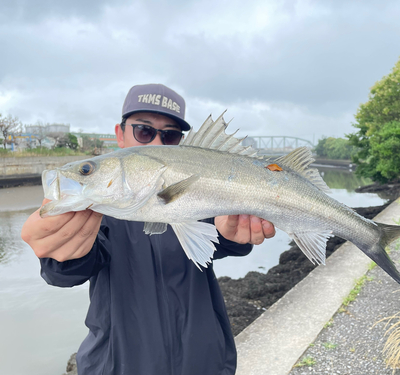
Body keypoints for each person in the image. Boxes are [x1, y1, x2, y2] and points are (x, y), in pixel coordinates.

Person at [21, 84, 276, 375]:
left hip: (206, 362)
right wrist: (59, 255)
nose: (156, 143)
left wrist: (235, 233)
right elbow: (72, 268)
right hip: (119, 365)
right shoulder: (101, 209)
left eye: (170, 135)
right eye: (144, 131)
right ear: (120, 133)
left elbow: (219, 239)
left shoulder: (194, 192)